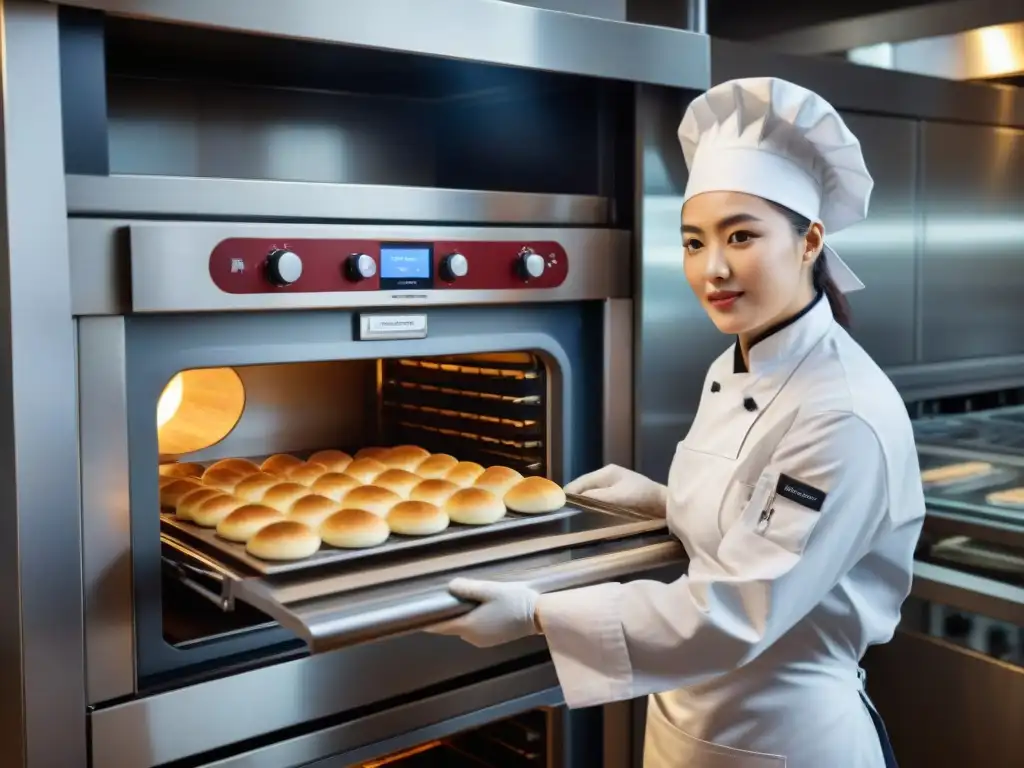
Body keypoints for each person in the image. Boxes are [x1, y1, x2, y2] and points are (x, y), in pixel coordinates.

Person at [428, 77, 925, 768]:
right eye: (693, 242)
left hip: (784, 739)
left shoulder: (840, 412)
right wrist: (666, 505)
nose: (712, 269)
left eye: (741, 236)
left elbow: (737, 610)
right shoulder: (741, 361)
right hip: (689, 725)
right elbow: (764, 529)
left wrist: (540, 613)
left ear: (810, 241)